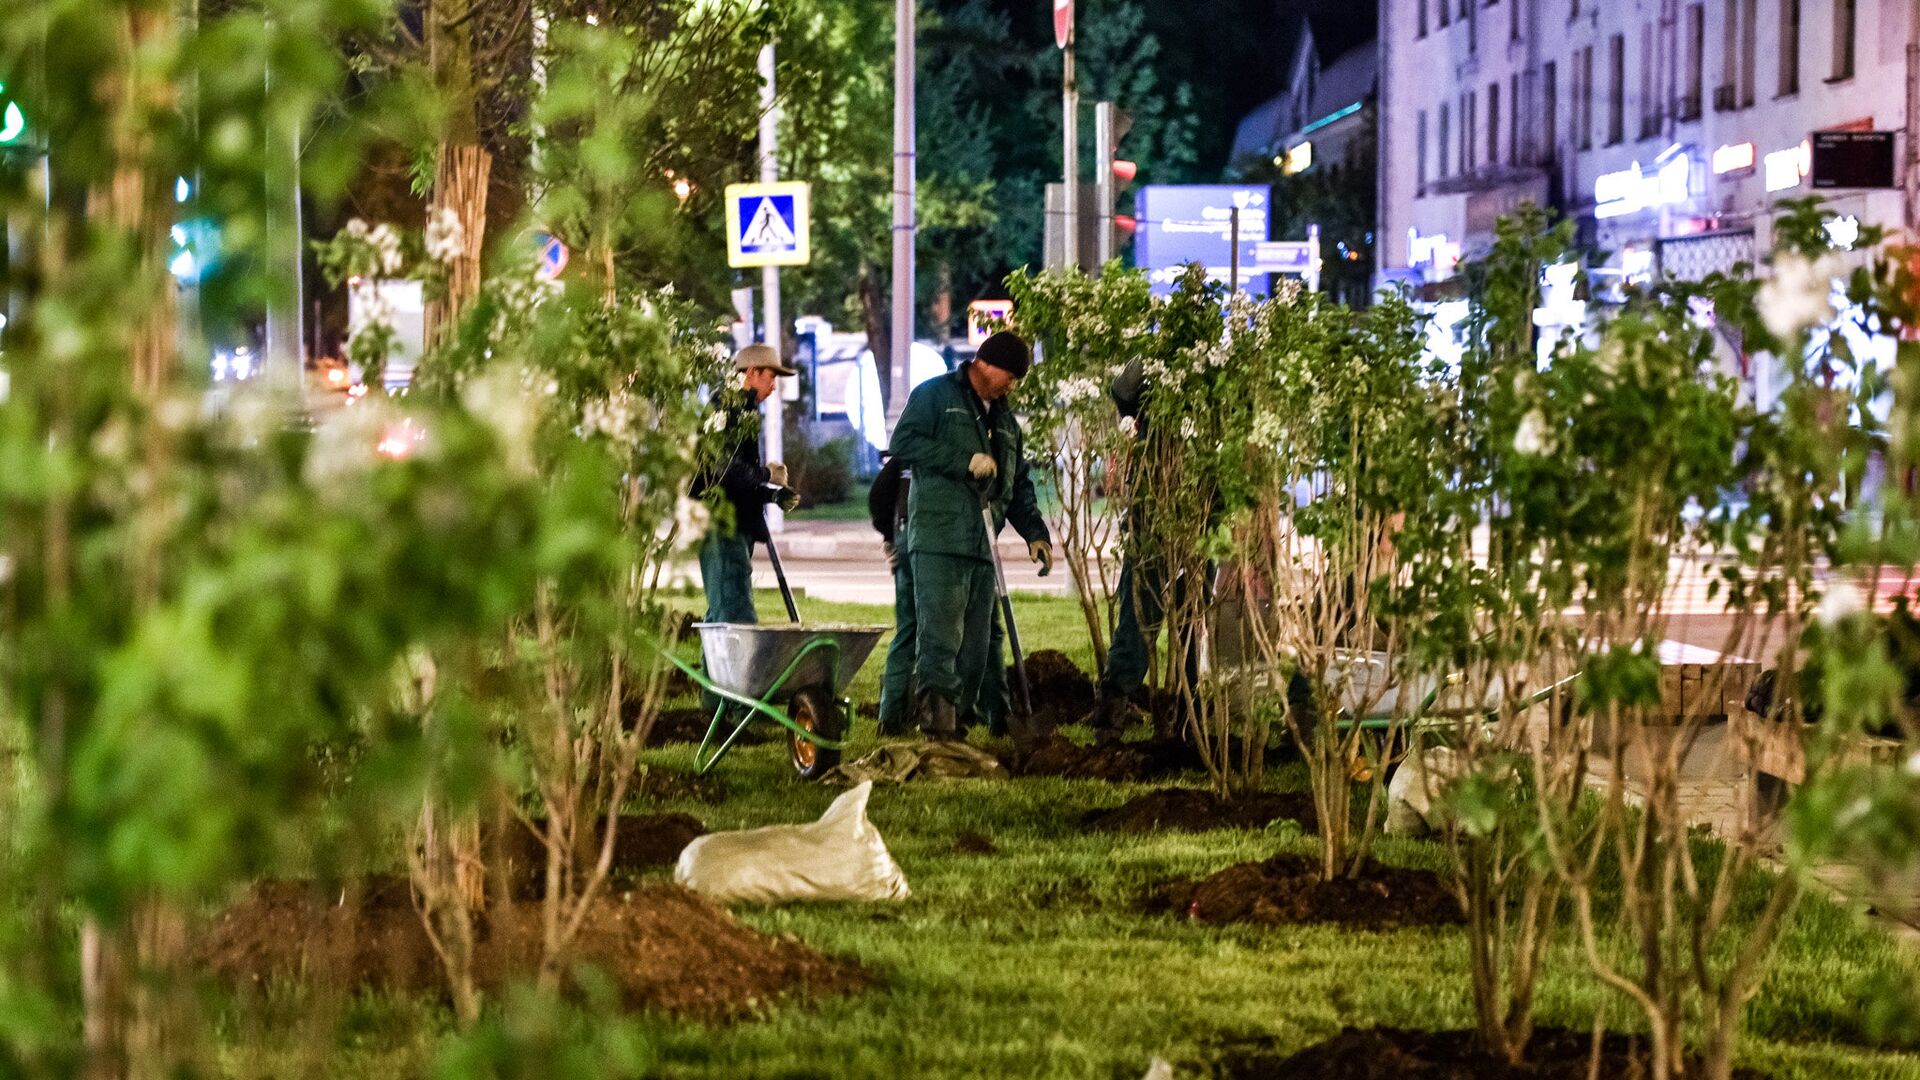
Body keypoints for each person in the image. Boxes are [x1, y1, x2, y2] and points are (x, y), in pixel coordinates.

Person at [889, 331, 1053, 740]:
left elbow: (1017, 484)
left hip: (983, 544)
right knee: (940, 639)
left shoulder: (1005, 421)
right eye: (1010, 377)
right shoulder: (935, 395)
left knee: (977, 648)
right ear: (987, 364)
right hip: (939, 539)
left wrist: (1036, 533)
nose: (1011, 386)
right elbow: (903, 442)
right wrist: (964, 460)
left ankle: (959, 719)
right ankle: (937, 726)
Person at [692, 343, 799, 625]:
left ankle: (714, 670)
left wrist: (770, 495)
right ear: (752, 372)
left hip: (732, 521)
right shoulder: (729, 408)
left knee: (722, 612)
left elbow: (738, 478)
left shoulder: (742, 408)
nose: (774, 386)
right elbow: (723, 468)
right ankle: (730, 670)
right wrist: (766, 475)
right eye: (771, 377)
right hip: (722, 523)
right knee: (734, 613)